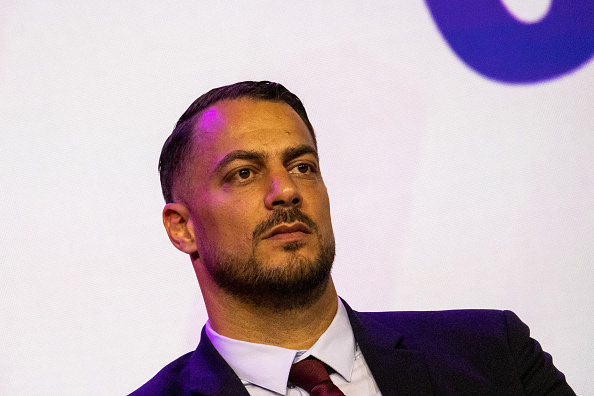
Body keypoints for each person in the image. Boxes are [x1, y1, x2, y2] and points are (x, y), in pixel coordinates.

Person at [130, 81, 574, 395]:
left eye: (303, 167)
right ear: (182, 228)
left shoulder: (494, 354)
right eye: (244, 173)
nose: (286, 190)